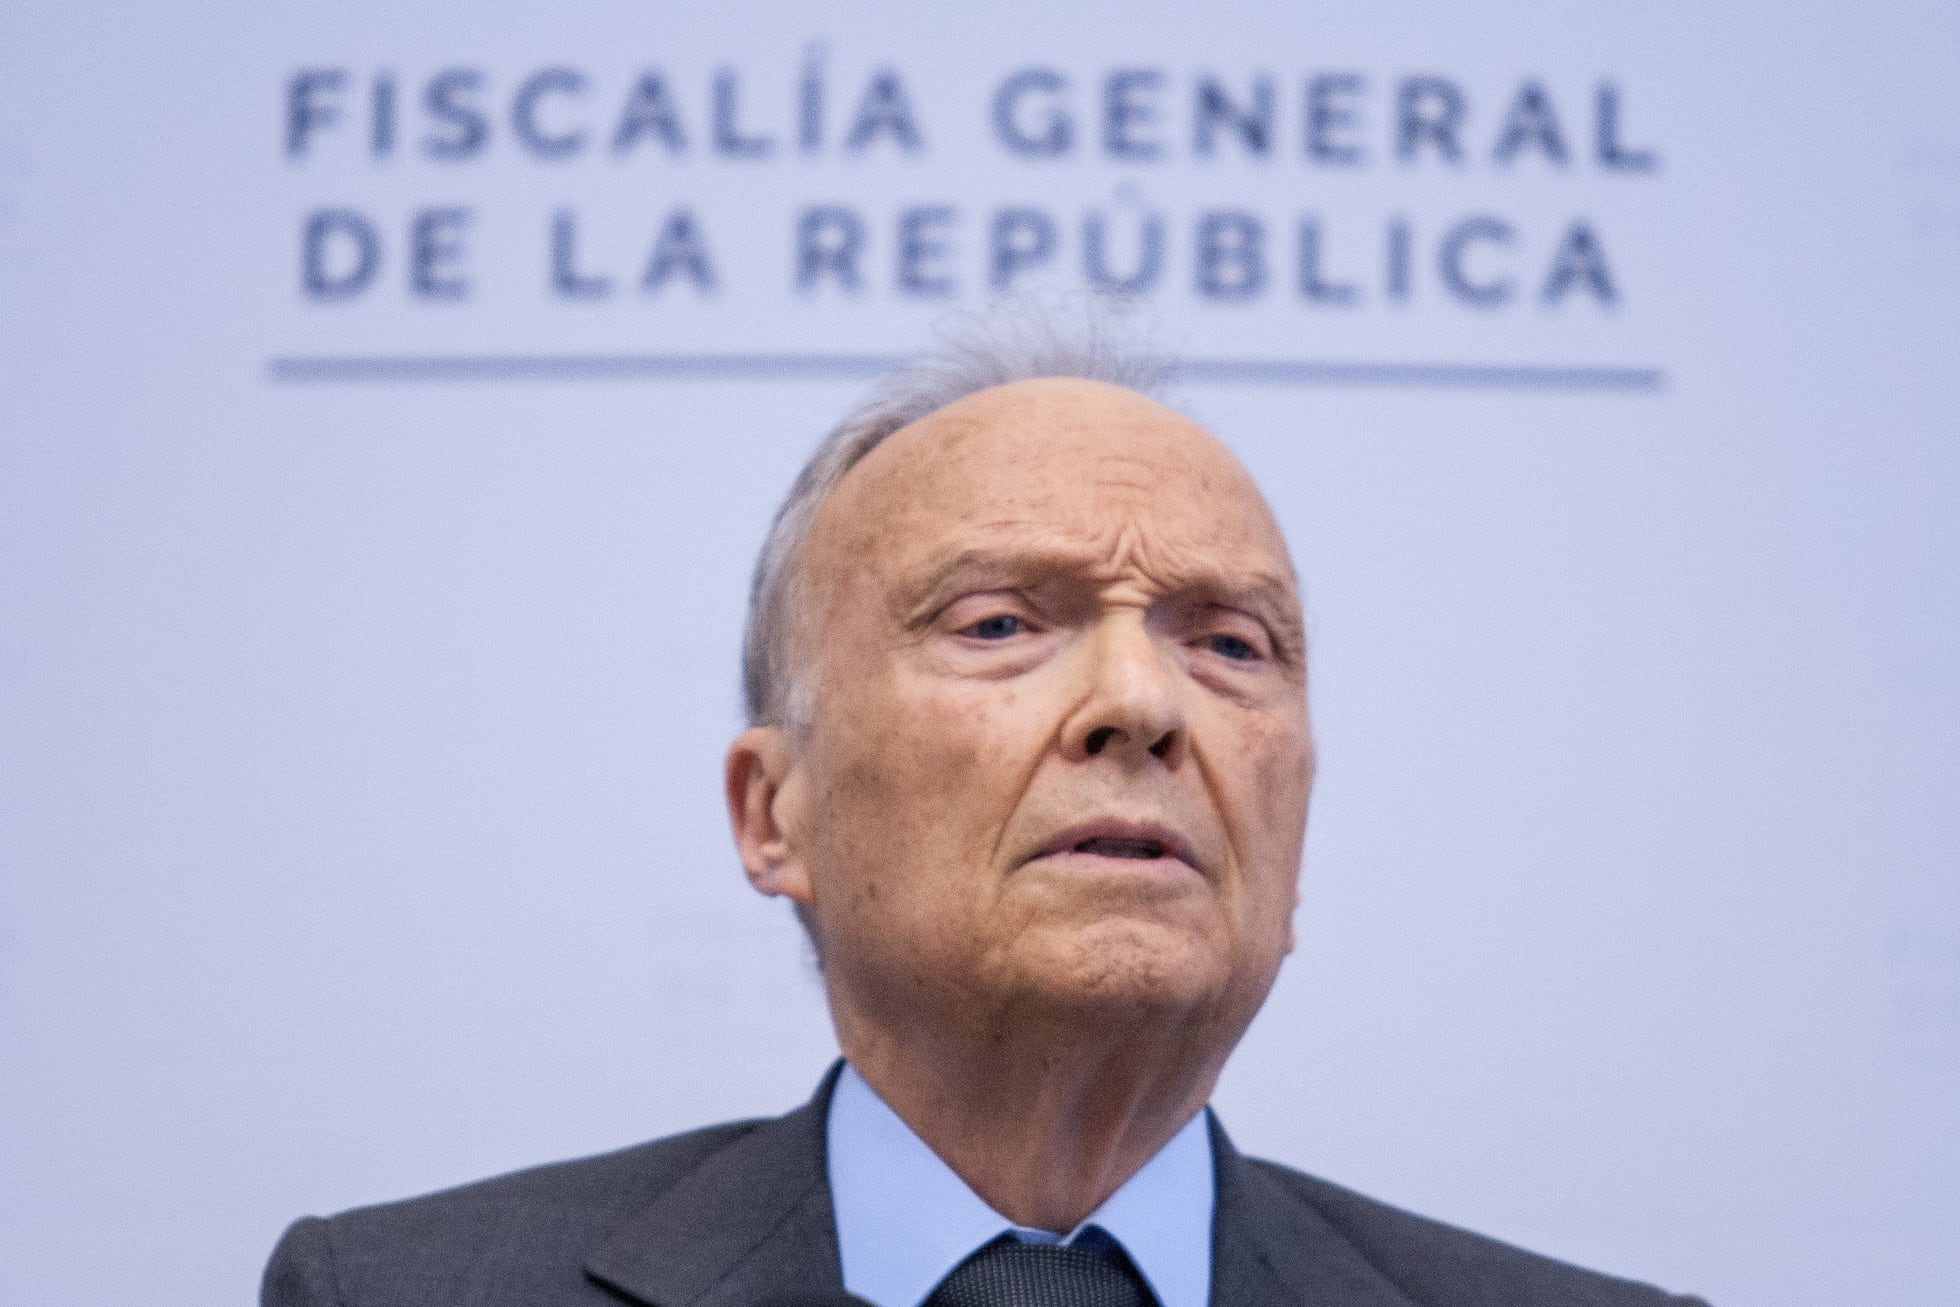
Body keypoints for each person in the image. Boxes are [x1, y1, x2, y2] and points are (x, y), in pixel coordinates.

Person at [262, 313, 1709, 1307]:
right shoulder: (398, 1294)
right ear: (774, 814)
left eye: (1229, 643)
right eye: (1002, 623)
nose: (1140, 702)